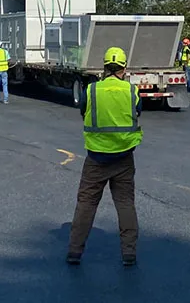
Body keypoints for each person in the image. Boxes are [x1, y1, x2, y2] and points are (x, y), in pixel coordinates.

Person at [66, 46, 142, 267]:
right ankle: (129, 253)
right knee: (125, 203)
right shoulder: (131, 91)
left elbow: (83, 112)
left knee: (86, 203)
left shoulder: (91, 90)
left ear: (104, 66)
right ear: (124, 68)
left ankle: (74, 251)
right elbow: (138, 111)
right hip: (124, 157)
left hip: (96, 158)